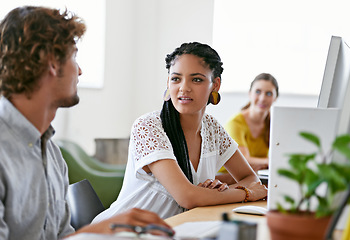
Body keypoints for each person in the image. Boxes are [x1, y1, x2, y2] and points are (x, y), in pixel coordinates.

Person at [0, 6, 173, 240]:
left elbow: (61, 236)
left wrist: (107, 230)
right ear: (52, 63)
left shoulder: (50, 152)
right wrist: (96, 231)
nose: (79, 70)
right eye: (74, 56)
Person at [92, 42, 268, 222]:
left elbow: (250, 177)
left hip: (176, 230)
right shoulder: (148, 126)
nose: (184, 88)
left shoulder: (212, 128)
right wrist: (245, 193)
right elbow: (187, 197)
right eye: (176, 79)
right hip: (123, 233)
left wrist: (216, 192)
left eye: (197, 79)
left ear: (215, 85)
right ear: (168, 82)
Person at [217, 73, 279, 184]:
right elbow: (243, 160)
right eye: (258, 92)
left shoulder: (273, 123)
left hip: (254, 177)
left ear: (275, 98)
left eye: (269, 93)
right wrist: (270, 162)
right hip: (225, 179)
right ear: (250, 94)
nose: (262, 98)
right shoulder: (235, 123)